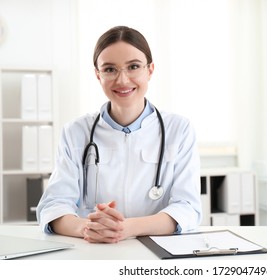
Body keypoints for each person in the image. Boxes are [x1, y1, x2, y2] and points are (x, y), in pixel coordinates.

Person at [36, 26, 202, 243]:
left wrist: (128, 228)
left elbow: (187, 208)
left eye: (133, 67)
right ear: (98, 74)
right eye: (110, 69)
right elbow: (54, 205)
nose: (122, 80)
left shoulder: (179, 129)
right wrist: (87, 227)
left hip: (158, 252)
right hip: (93, 250)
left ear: (150, 70)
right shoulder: (76, 132)